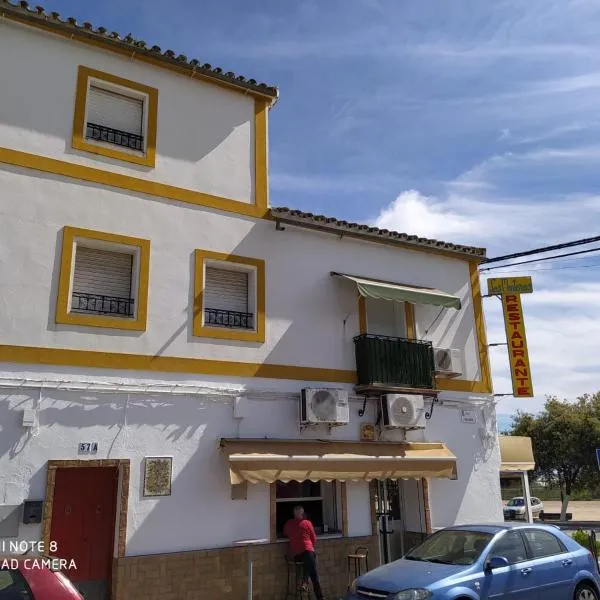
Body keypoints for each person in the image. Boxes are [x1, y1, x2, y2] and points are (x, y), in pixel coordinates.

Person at [283, 506, 324, 600]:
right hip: (307, 551)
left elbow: (285, 532)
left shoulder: (289, 523)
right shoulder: (307, 523)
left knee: (306, 562)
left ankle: (304, 582)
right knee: (314, 576)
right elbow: (314, 539)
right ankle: (320, 597)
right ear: (303, 514)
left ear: (294, 514)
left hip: (296, 555)